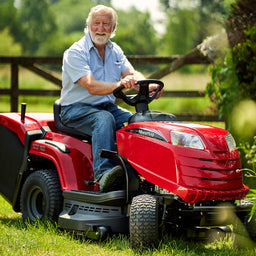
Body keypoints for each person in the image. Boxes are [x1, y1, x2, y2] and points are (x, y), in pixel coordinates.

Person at [60, 5, 162, 192]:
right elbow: (90, 85)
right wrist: (120, 84)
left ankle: (146, 172)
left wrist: (146, 85)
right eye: (96, 23)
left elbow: (131, 74)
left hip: (106, 106)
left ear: (113, 28)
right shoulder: (75, 52)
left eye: (106, 24)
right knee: (104, 119)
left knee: (139, 121)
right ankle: (103, 175)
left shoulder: (115, 50)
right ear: (89, 25)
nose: (100, 28)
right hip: (74, 110)